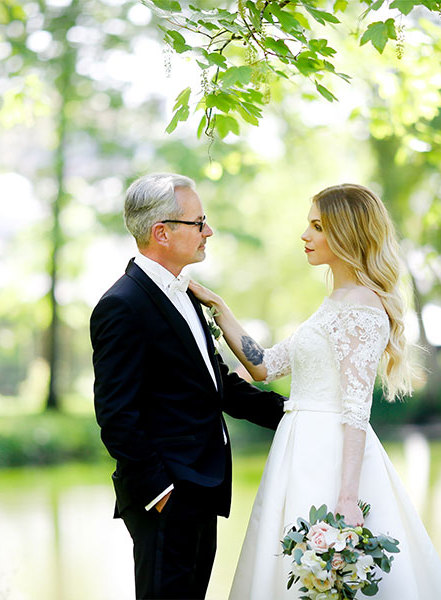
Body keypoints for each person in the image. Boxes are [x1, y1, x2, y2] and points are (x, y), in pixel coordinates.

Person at [189, 183, 441, 599]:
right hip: (295, 449)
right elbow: (265, 366)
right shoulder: (334, 301)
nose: (305, 235)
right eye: (309, 225)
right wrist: (221, 310)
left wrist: (348, 495)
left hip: (331, 457)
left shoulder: (363, 307)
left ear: (347, 234)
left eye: (318, 226)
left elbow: (356, 408)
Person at [90, 173, 286, 599]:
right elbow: (115, 414)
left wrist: (295, 415)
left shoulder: (189, 295)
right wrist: (160, 492)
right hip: (168, 495)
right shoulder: (122, 305)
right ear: (162, 232)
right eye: (199, 223)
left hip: (202, 488)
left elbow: (219, 386)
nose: (208, 232)